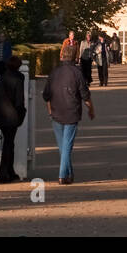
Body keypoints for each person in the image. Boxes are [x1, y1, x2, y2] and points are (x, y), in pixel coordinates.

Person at [43, 43, 94, 184]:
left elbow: (46, 95)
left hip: (56, 112)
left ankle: (69, 174)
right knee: (66, 146)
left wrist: (49, 110)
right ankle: (62, 175)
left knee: (63, 146)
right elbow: (85, 95)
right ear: (75, 57)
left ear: (62, 56)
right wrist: (91, 109)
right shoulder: (77, 73)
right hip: (71, 112)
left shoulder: (54, 72)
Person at [0, 54, 26, 183]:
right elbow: (19, 101)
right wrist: (21, 113)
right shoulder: (19, 78)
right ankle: (3, 174)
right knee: (8, 144)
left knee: (9, 143)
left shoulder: (0, 79)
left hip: (0, 114)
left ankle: (9, 171)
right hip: (12, 116)